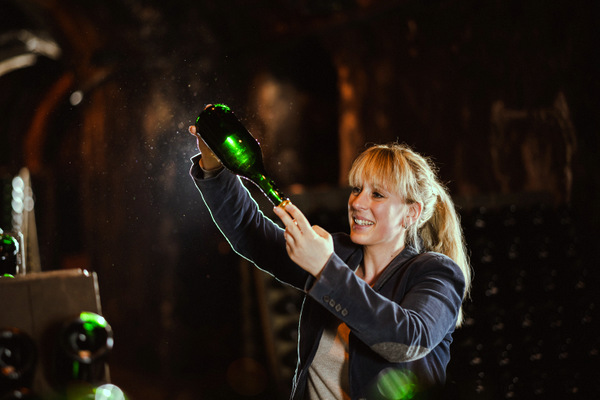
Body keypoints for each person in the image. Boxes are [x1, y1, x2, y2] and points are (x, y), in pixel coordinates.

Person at [188, 125, 471, 400]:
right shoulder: (338, 255)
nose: (357, 203)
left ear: (411, 213)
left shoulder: (436, 272)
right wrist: (214, 167)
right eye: (356, 189)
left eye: (377, 194)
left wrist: (324, 267)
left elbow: (407, 341)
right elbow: (250, 233)